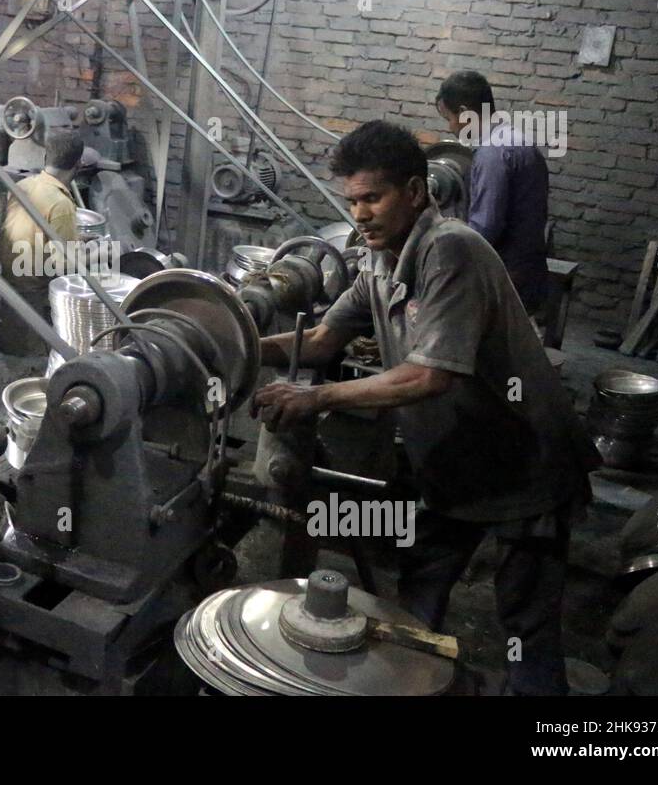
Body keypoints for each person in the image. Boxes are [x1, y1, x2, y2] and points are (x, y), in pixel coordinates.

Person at [252, 120, 595, 696]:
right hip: (453, 469)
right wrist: (233, 344)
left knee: (525, 629)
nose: (360, 214)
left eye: (372, 197)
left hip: (524, 467)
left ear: (415, 192)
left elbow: (430, 374)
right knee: (413, 606)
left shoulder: (450, 250)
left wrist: (316, 397)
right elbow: (321, 340)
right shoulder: (379, 262)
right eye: (352, 201)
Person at [435, 70, 549, 315]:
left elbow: (486, 227)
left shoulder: (491, 154)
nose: (451, 127)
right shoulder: (518, 140)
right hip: (530, 266)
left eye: (449, 118)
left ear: (465, 112)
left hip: (506, 275)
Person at [0, 132, 87, 356]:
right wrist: (96, 254)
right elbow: (63, 265)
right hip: (35, 293)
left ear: (46, 157)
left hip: (8, 279)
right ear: (78, 165)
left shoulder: (24, 185)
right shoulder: (61, 204)